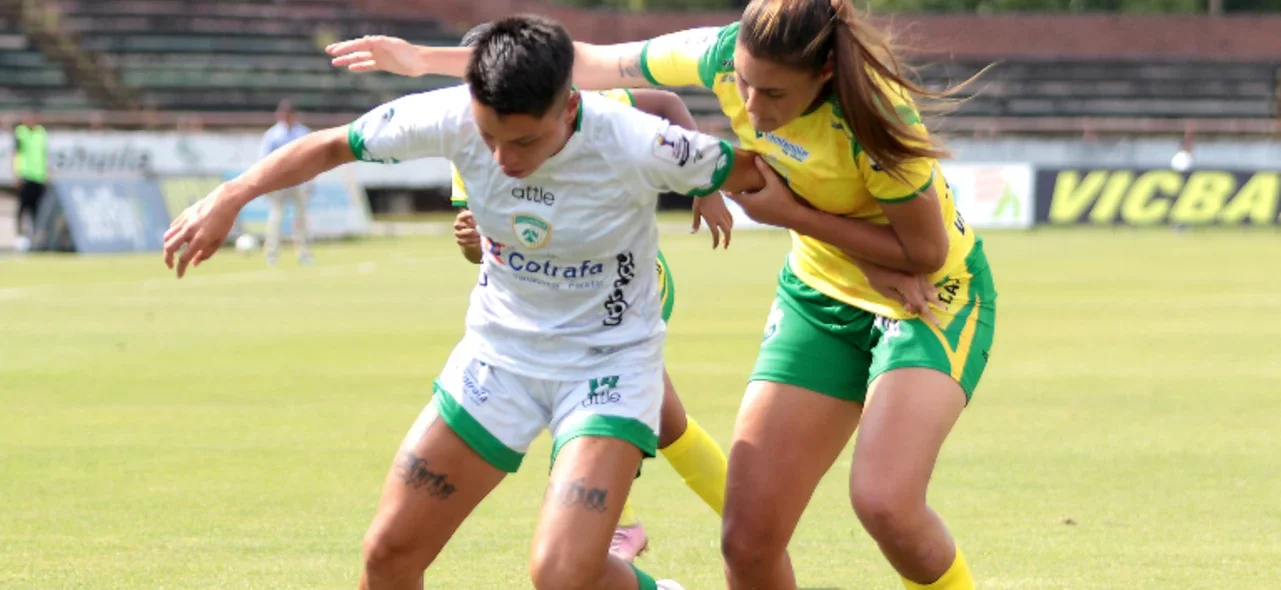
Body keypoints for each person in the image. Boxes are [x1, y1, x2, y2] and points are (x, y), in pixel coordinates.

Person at [325, 2, 999, 589]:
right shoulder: (713, 53)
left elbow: (923, 253)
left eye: (774, 95)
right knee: (745, 540)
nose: (753, 110)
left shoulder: (873, 113)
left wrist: (786, 214)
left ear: (822, 76)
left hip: (931, 300)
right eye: (742, 83)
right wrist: (423, 60)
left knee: (882, 502)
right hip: (818, 297)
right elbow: (583, 61)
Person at [165, 15, 769, 590]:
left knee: (560, 575)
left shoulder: (638, 141)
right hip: (498, 358)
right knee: (387, 555)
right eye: (489, 136)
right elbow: (330, 146)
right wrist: (230, 196)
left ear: (572, 106)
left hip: (607, 363)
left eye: (525, 139)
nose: (503, 159)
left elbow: (756, 174)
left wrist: (722, 190)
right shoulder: (449, 114)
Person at [447, 22, 735, 563]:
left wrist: (706, 187)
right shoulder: (466, 141)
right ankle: (715, 519)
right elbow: (487, 248)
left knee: (601, 405)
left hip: (625, 287)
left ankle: (707, 522)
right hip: (553, 306)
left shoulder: (579, 109)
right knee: (663, 422)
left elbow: (668, 104)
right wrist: (471, 243)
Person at [259, 99, 313, 265]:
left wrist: (310, 181)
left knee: (301, 219)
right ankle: (272, 253)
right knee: (276, 218)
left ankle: (303, 252)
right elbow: (264, 160)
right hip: (279, 182)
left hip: (299, 181)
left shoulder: (303, 133)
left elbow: (311, 158)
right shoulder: (272, 135)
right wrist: (266, 184)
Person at [11, 111, 48, 243]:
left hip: (39, 176)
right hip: (25, 175)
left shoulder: (41, 133)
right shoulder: (21, 132)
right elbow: (16, 154)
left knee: (36, 209)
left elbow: (44, 155)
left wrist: (46, 173)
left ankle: (35, 237)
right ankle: (20, 237)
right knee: (23, 207)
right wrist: (16, 174)